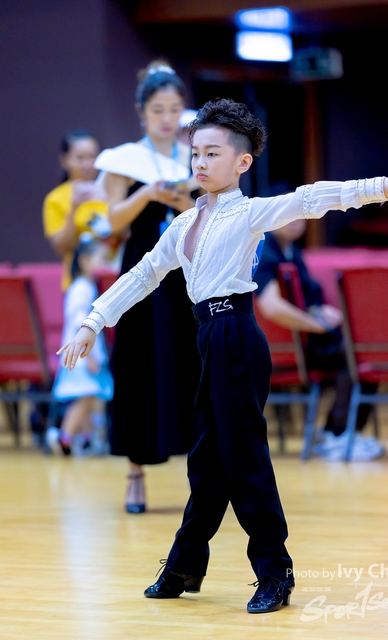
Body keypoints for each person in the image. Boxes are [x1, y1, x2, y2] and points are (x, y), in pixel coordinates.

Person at [57, 97, 388, 614]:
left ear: (242, 162)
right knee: (207, 462)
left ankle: (275, 573)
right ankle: (184, 564)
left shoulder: (250, 212)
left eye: (212, 153)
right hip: (206, 338)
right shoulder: (183, 225)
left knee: (244, 458)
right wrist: (92, 321)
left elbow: (310, 199)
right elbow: (142, 274)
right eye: (196, 154)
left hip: (236, 336)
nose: (200, 163)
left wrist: (379, 187)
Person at [92, 59, 200, 514]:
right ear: (141, 111)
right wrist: (147, 194)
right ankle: (135, 475)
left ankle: (203, 477)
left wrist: (181, 199)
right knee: (139, 363)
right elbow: (112, 220)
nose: (167, 118)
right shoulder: (124, 159)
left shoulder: (196, 153)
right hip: (142, 265)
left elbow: (209, 211)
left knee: (193, 362)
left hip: (188, 267)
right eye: (158, 110)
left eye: (174, 109)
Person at [253, 217, 385, 460]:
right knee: (354, 355)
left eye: (298, 214)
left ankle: (337, 433)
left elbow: (302, 297)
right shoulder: (263, 251)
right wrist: (315, 325)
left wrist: (319, 311)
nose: (295, 221)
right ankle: (337, 435)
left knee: (363, 352)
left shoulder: (291, 250)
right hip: (283, 348)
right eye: (287, 214)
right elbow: (271, 307)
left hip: (305, 340)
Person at [46, 234, 114, 456]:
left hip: (85, 354)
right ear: (85, 260)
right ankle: (65, 436)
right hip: (83, 356)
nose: (105, 264)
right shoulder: (82, 288)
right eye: (102, 259)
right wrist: (90, 356)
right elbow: (79, 321)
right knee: (85, 397)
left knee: (89, 397)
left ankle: (86, 438)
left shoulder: (86, 286)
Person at [42, 129, 119, 291]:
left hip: (115, 281)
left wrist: (108, 200)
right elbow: (61, 247)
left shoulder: (111, 191)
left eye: (92, 157)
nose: (87, 164)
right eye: (80, 158)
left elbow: (124, 234)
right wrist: (74, 207)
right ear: (64, 160)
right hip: (78, 283)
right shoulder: (55, 199)